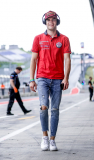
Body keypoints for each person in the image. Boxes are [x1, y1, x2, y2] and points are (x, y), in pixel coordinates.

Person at [30, 11, 71, 151]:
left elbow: (67, 59)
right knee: (43, 107)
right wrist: (31, 79)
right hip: (42, 78)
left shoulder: (64, 39)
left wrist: (66, 77)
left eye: (53, 20)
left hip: (58, 78)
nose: (51, 22)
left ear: (57, 22)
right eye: (48, 20)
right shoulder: (38, 38)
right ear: (45, 22)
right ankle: (44, 137)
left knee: (55, 109)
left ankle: (53, 140)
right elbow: (33, 60)